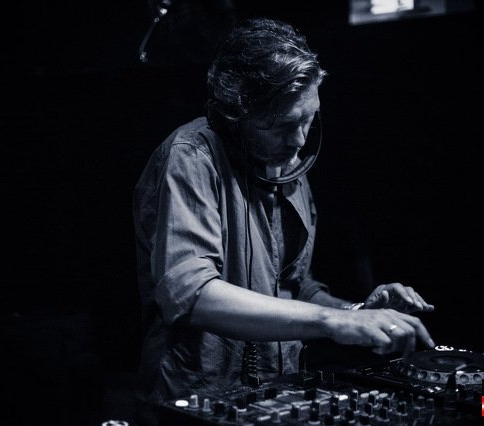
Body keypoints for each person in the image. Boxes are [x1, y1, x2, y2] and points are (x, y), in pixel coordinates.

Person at [132, 17, 435, 424]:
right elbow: (192, 295)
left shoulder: (285, 164)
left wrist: (356, 311)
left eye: (309, 118)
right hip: (197, 400)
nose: (299, 140)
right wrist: (332, 321)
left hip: (276, 396)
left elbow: (293, 286)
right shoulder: (191, 157)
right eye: (281, 126)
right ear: (233, 119)